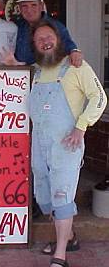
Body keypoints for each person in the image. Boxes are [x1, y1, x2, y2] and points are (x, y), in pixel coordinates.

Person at [29, 20, 107, 267]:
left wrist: (81, 126)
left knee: (62, 196)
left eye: (49, 37)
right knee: (43, 196)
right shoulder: (35, 72)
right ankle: (70, 237)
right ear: (34, 45)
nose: (45, 42)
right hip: (39, 145)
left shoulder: (76, 67)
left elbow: (99, 97)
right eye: (39, 39)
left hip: (66, 144)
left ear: (59, 40)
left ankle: (60, 255)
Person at [14, 0, 83, 68]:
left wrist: (75, 52)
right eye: (25, 6)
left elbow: (70, 48)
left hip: (50, 78)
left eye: (33, 5)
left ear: (41, 6)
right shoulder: (17, 27)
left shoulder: (56, 26)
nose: (29, 10)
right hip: (23, 78)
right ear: (20, 8)